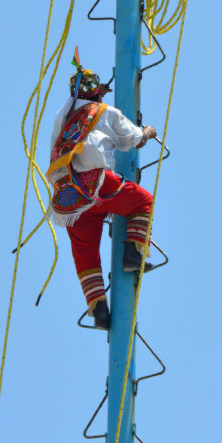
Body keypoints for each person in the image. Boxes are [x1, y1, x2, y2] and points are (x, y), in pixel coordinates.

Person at [46, 58, 157, 330]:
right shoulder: (106, 111)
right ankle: (132, 254)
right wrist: (147, 133)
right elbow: (133, 139)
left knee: (84, 251)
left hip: (68, 197)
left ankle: (98, 308)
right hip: (98, 182)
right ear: (96, 92)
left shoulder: (62, 114)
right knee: (143, 201)